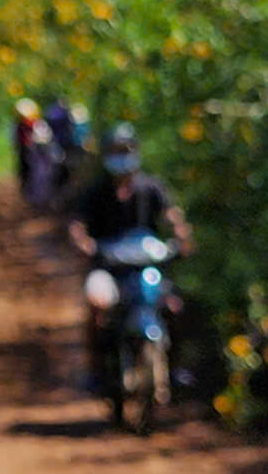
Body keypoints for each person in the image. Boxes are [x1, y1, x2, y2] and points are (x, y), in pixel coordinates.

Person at [68, 123, 193, 392]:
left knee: (173, 307)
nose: (121, 155)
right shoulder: (96, 192)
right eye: (115, 150)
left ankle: (176, 369)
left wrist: (181, 236)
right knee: (97, 306)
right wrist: (84, 244)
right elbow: (78, 225)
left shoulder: (151, 188)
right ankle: (96, 372)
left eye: (125, 149)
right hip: (109, 269)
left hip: (146, 269)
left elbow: (172, 215)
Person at [12, 98, 40, 197]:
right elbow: (16, 138)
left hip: (31, 149)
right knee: (24, 168)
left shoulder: (33, 123)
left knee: (32, 168)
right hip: (23, 149)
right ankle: (26, 189)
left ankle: (31, 189)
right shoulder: (19, 125)